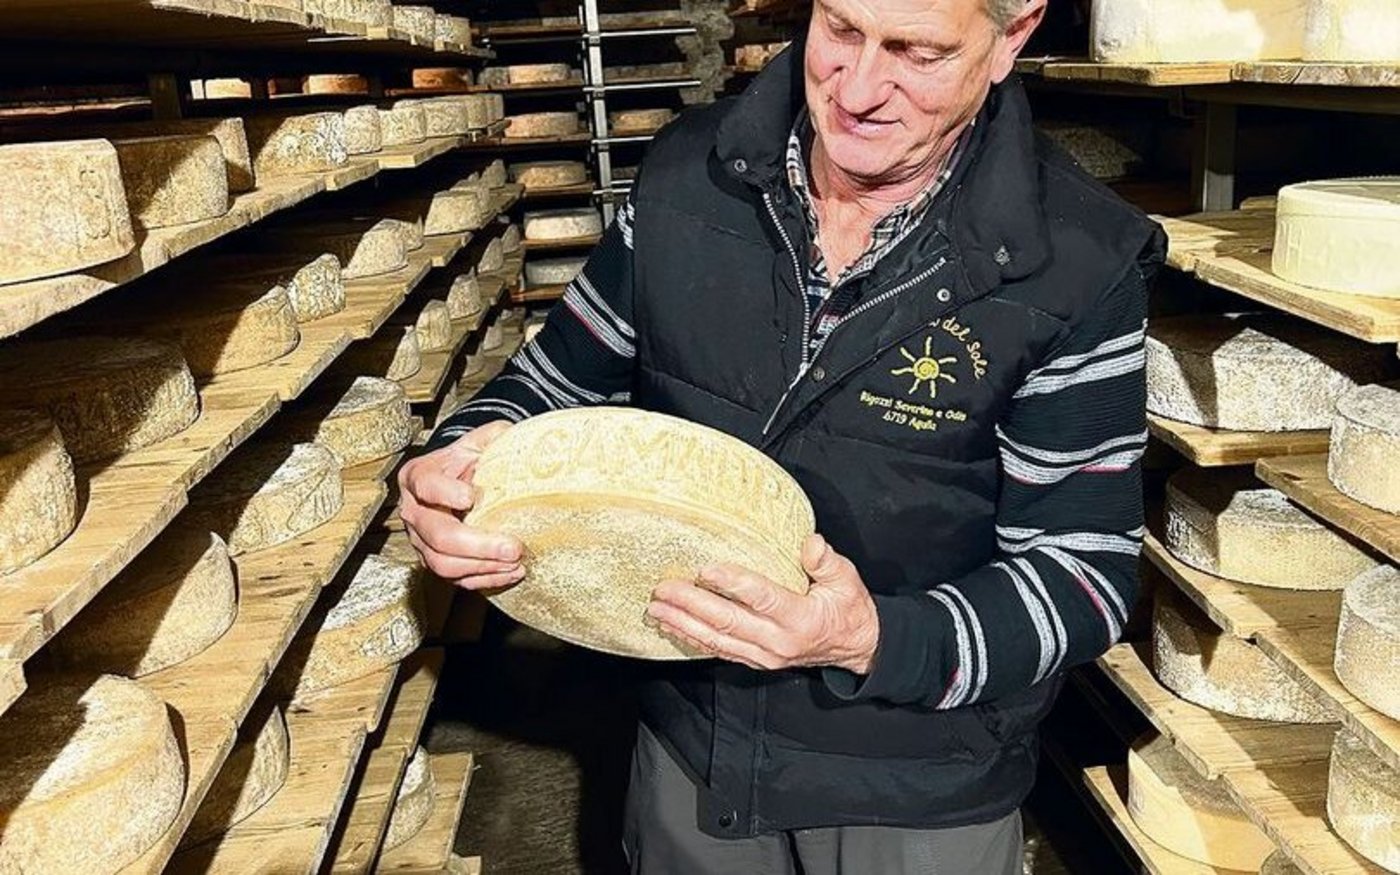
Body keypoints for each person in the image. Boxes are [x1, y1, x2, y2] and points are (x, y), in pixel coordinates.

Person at [401, 0, 1166, 870]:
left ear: (1012, 39)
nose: (861, 88)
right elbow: (559, 376)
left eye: (916, 51)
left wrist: (870, 636)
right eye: (841, 30)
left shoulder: (1077, 261)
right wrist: (468, 450)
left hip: (916, 784)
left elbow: (1082, 574)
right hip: (689, 742)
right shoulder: (692, 173)